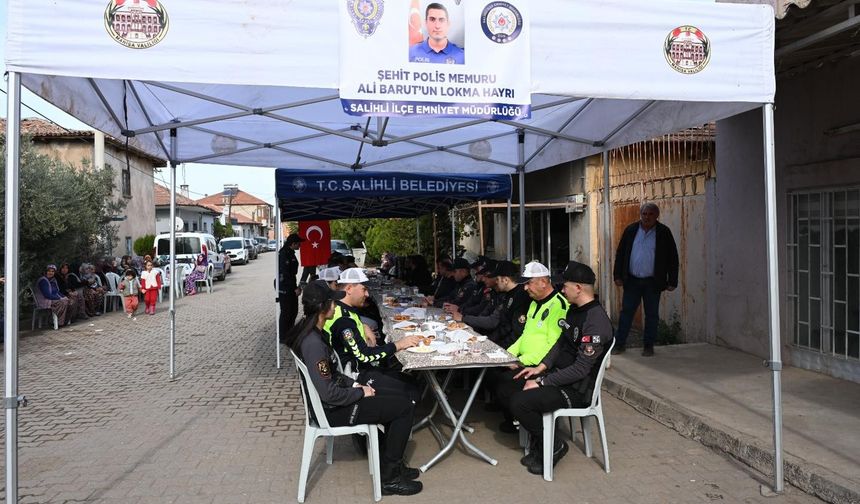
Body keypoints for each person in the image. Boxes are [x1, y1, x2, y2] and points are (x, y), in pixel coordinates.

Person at [285, 280, 423, 496]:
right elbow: (328, 392)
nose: (336, 305)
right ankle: (390, 478)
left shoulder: (313, 331)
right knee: (404, 407)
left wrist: (354, 384)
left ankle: (390, 464)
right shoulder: (313, 343)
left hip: (335, 400)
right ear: (324, 307)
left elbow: (332, 374)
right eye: (332, 301)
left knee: (399, 397)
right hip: (332, 410)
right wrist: (359, 392)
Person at [507, 261, 614, 475]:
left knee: (520, 402)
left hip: (577, 390)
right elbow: (561, 344)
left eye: (565, 286)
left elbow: (581, 370)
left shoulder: (595, 320)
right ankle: (541, 444)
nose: (561, 289)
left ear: (578, 288)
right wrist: (541, 368)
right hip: (559, 377)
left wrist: (542, 381)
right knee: (511, 385)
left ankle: (555, 446)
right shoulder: (575, 310)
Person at [490, 261, 569, 433]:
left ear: (543, 282)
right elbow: (525, 336)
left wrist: (520, 361)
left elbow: (553, 346)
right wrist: (507, 355)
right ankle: (516, 422)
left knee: (505, 385)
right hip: (525, 361)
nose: (525, 288)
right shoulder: (534, 303)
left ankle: (533, 429)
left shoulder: (559, 306)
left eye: (528, 283)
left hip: (542, 366)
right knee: (494, 373)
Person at [325, 268, 422, 400]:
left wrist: (364, 326)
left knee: (411, 381)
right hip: (352, 376)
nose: (367, 294)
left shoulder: (340, 307)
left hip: (357, 368)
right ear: (349, 288)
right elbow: (364, 356)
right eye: (364, 289)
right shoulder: (343, 320)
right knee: (411, 391)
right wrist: (399, 344)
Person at [612, 202, 680, 356]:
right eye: (645, 214)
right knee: (626, 313)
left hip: (652, 282)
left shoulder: (663, 232)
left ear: (657, 215)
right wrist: (617, 275)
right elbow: (620, 253)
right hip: (632, 281)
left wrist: (672, 281)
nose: (647, 217)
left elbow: (672, 257)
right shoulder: (631, 230)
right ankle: (620, 344)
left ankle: (648, 346)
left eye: (651, 214)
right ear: (640, 215)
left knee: (652, 315)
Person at [278, 233, 304, 342]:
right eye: (298, 244)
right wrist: (294, 289)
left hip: (291, 285)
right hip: (286, 288)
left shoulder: (290, 253)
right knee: (286, 313)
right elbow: (286, 274)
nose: (300, 246)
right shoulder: (284, 254)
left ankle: (290, 333)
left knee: (293, 311)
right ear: (293, 244)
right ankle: (284, 337)